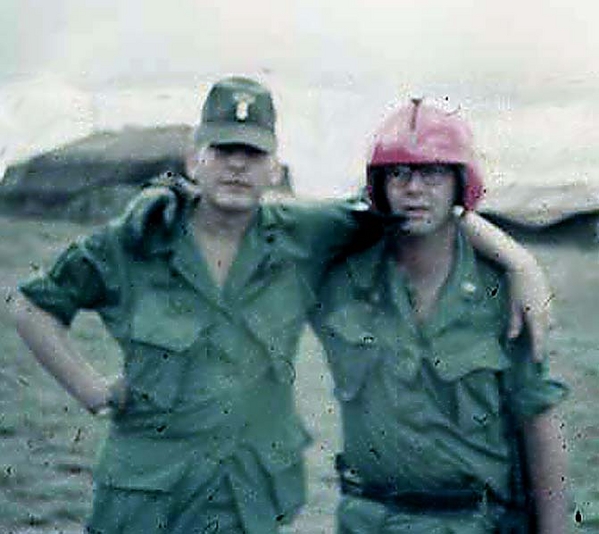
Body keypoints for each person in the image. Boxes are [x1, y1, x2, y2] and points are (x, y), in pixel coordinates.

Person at [11, 79, 552, 534]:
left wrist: (518, 259)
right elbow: (32, 306)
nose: (237, 167)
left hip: (247, 500)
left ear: (275, 167)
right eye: (223, 150)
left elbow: (414, 206)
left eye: (253, 153)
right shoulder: (133, 240)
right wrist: (90, 388)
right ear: (194, 158)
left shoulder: (305, 235)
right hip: (143, 498)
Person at [311, 100, 568, 533]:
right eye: (398, 173)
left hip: (471, 522)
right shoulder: (342, 280)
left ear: (459, 184)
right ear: (379, 186)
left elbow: (539, 425)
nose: (413, 188)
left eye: (433, 173)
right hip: (366, 521)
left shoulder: (502, 294)